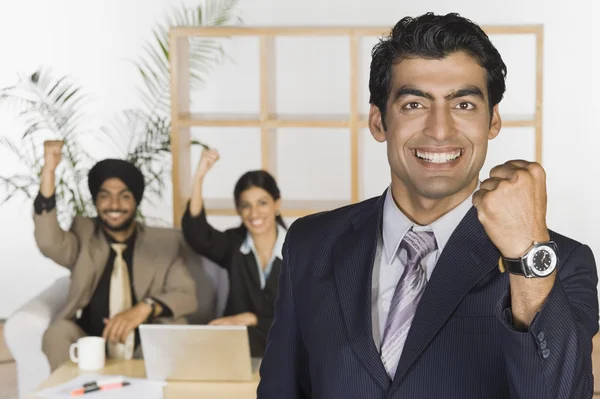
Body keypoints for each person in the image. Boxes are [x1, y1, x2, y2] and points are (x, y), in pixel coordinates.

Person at [257, 12, 599, 399]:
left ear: (493, 122)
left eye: (464, 105)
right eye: (414, 105)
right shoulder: (311, 243)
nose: (439, 130)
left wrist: (526, 258)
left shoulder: (563, 263)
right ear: (379, 122)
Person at [35, 140, 199, 371]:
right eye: (105, 196)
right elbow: (48, 242)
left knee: (177, 327)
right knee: (57, 333)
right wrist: (49, 172)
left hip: (144, 343)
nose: (114, 205)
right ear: (96, 201)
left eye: (124, 196)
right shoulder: (83, 234)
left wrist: (143, 309)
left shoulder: (162, 243)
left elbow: (187, 295)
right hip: (90, 340)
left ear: (135, 201)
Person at [181, 149, 287, 357]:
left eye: (262, 203)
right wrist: (199, 177)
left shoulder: (300, 248)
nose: (254, 213)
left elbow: (305, 312)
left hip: (284, 348)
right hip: (238, 349)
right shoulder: (233, 245)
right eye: (245, 206)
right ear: (238, 210)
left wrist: (252, 318)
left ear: (277, 204)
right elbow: (197, 235)